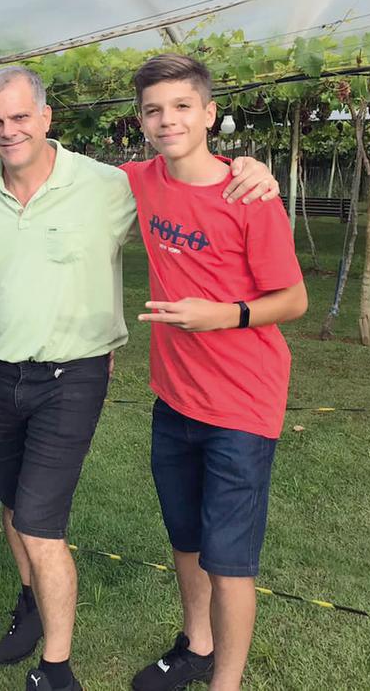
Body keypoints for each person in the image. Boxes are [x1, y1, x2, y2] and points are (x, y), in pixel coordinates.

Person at [0, 65, 279, 691]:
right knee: (15, 504)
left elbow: (192, 176)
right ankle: (30, 602)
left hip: (73, 376)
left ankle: (58, 668)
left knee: (41, 519)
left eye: (21, 117)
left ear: (47, 118)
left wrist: (248, 166)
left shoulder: (108, 185)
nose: (8, 131)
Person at [121, 55, 307, 691]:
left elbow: (294, 300)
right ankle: (196, 645)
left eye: (180, 107)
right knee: (186, 538)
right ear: (142, 121)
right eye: (153, 110)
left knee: (230, 561)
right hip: (174, 399)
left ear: (209, 113)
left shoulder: (248, 196)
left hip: (241, 407)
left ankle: (225, 684)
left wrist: (221, 315)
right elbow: (55, 168)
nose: (166, 120)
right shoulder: (140, 181)